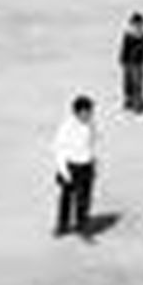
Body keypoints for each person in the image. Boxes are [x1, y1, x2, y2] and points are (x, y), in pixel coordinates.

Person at [53, 95, 98, 239]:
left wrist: (94, 163)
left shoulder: (91, 125)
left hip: (86, 165)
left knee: (85, 198)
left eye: (90, 112)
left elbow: (92, 144)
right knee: (66, 198)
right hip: (70, 166)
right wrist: (64, 171)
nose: (88, 115)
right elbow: (59, 149)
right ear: (77, 112)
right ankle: (62, 225)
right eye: (85, 112)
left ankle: (82, 225)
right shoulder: (66, 127)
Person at [118, 12, 143, 112]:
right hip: (129, 61)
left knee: (138, 83)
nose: (138, 26)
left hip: (139, 62)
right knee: (128, 82)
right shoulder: (128, 36)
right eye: (135, 24)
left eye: (140, 24)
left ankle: (137, 104)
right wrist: (122, 59)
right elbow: (124, 48)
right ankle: (129, 100)